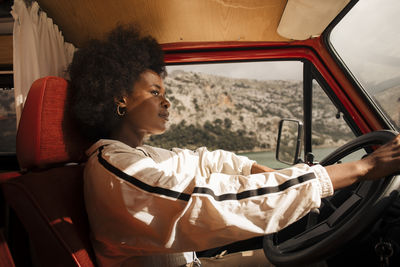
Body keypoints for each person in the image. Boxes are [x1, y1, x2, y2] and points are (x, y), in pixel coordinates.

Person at [68, 25, 400, 267]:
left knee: (314, 259)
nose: (167, 103)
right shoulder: (115, 169)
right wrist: (362, 168)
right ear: (119, 98)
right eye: (156, 92)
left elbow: (205, 161)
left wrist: (260, 170)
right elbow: (210, 203)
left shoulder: (143, 157)